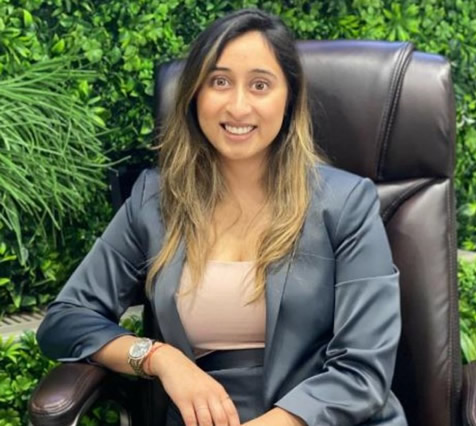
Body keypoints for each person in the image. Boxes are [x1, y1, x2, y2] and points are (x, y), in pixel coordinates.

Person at [37, 8, 408, 426]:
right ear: (195, 93)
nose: (238, 106)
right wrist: (160, 358)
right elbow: (65, 320)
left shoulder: (346, 202)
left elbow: (363, 371)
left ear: (289, 99)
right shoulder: (155, 199)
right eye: (219, 81)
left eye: (260, 85)